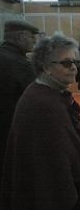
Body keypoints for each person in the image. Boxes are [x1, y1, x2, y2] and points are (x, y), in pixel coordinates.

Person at [0, 34, 80, 210]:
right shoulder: (43, 103)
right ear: (46, 66)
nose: (74, 68)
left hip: (43, 197)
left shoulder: (46, 94)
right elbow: (55, 159)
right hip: (44, 201)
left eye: (76, 63)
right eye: (66, 63)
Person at [0, 20, 39, 172]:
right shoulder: (20, 63)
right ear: (21, 36)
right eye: (32, 37)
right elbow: (34, 99)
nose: (34, 42)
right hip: (14, 126)